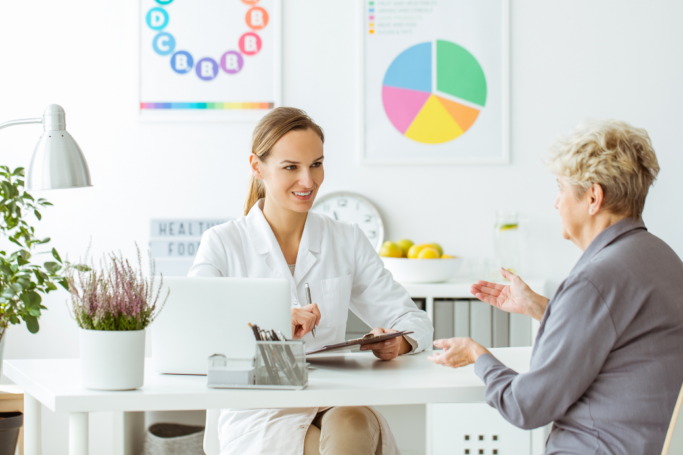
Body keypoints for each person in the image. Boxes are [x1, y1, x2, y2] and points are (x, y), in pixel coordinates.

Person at [429, 120, 683, 454]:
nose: (556, 203)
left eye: (560, 188)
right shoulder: (664, 259)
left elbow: (527, 406)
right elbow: (622, 337)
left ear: (593, 197)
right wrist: (542, 308)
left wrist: (479, 357)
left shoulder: (594, 281)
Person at [189, 107, 433, 455]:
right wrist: (271, 325)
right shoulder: (223, 243)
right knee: (350, 436)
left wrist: (398, 343)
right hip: (260, 410)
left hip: (334, 398)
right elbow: (195, 335)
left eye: (316, 164)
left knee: (353, 421)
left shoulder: (345, 239)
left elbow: (413, 321)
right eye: (291, 167)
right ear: (257, 167)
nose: (309, 181)